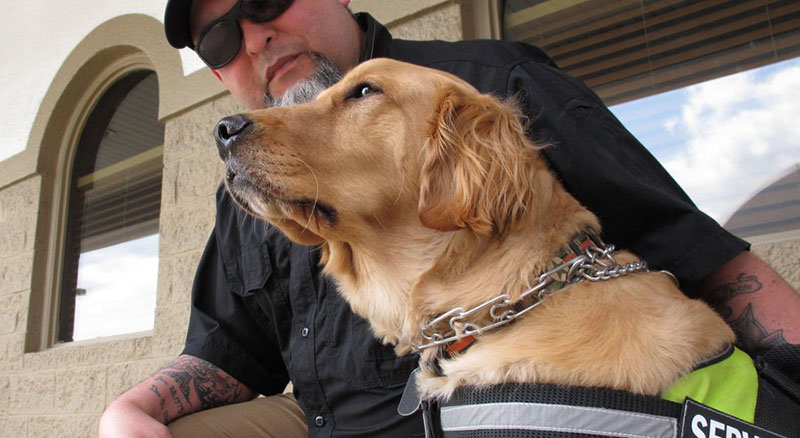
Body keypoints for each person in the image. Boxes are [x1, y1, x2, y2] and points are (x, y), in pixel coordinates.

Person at [98, 0, 800, 436]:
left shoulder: (490, 85)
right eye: (220, 41)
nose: (254, 38)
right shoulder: (256, 175)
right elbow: (228, 348)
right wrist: (128, 411)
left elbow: (693, 248)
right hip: (321, 418)